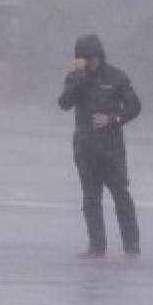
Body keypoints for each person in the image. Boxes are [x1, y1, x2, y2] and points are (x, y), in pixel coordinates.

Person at [58, 34, 141, 259]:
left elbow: (134, 106)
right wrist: (78, 80)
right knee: (91, 200)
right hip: (85, 149)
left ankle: (131, 247)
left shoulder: (116, 76)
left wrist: (113, 118)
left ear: (100, 55)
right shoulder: (75, 78)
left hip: (111, 149)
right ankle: (96, 247)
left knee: (121, 197)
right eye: (84, 58)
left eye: (92, 57)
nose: (90, 62)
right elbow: (64, 103)